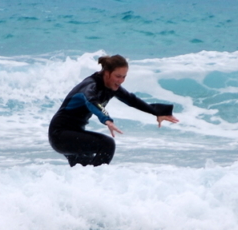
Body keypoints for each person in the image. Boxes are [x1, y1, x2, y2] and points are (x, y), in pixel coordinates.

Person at [48, 54, 179, 167]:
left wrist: (158, 112)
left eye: (124, 77)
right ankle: (99, 181)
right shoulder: (90, 86)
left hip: (73, 134)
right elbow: (93, 102)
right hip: (60, 135)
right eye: (118, 76)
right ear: (106, 73)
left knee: (83, 169)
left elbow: (131, 100)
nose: (121, 81)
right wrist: (107, 120)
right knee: (106, 144)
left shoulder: (111, 86)